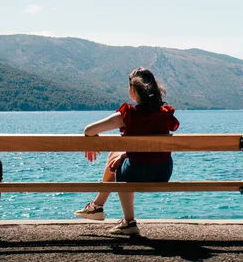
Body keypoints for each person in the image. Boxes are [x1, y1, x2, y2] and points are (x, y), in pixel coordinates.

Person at [74, 67, 179, 235]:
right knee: (119, 153)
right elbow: (151, 144)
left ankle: (119, 217)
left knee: (115, 157)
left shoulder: (128, 115)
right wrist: (125, 153)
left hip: (135, 173)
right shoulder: (166, 114)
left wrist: (91, 142)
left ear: (132, 89)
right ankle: (98, 207)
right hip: (163, 172)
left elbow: (89, 130)